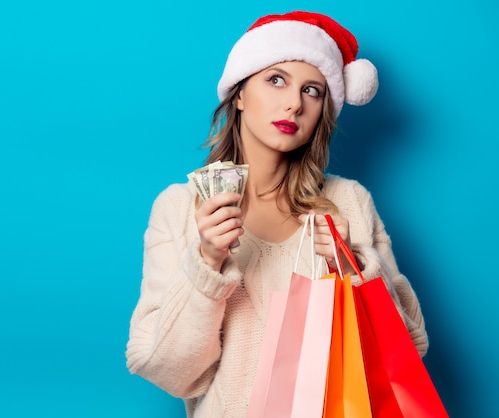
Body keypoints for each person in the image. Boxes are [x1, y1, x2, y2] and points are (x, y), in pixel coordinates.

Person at [126, 10, 428, 417]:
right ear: (239, 93)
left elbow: (408, 349)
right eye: (276, 80)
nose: (293, 104)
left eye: (312, 91)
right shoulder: (179, 208)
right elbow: (168, 372)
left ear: (324, 110)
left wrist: (356, 270)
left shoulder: (350, 202)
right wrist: (206, 264)